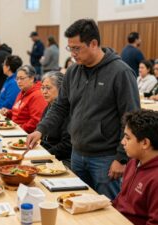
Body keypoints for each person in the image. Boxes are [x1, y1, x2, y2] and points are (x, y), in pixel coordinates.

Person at [27, 19, 140, 200]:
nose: (72, 54)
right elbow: (60, 106)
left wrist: (121, 159)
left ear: (93, 43)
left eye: (77, 48)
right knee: (78, 205)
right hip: (77, 154)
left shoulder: (120, 73)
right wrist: (41, 129)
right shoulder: (73, 71)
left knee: (109, 211)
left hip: (106, 158)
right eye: (70, 48)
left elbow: (131, 118)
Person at [113, 109, 158, 225]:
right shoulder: (133, 162)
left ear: (145, 143)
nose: (123, 142)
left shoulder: (155, 179)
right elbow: (120, 200)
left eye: (127, 138)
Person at [0, 65, 47, 133]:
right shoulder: (22, 92)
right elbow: (18, 113)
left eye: (21, 78)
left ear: (32, 79)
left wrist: (18, 129)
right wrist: (8, 112)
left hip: (24, 133)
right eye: (17, 78)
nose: (18, 81)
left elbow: (36, 121)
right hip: (15, 128)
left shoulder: (38, 95)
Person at [40, 71, 72, 168]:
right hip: (48, 152)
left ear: (61, 89)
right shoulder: (49, 106)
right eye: (43, 88)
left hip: (63, 158)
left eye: (48, 88)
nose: (44, 91)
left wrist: (45, 154)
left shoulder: (67, 110)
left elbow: (67, 145)